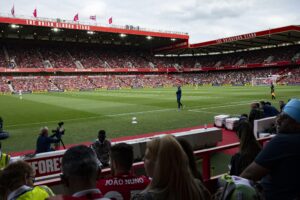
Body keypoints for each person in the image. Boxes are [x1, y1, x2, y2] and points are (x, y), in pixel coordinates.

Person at [241, 99, 300, 200]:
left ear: (297, 124)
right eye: (280, 116)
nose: (278, 120)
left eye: (285, 118)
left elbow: (248, 175)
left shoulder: (283, 141)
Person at [132, 135, 210, 200]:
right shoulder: (198, 187)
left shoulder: (144, 198)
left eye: (147, 157)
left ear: (159, 164)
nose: (143, 160)